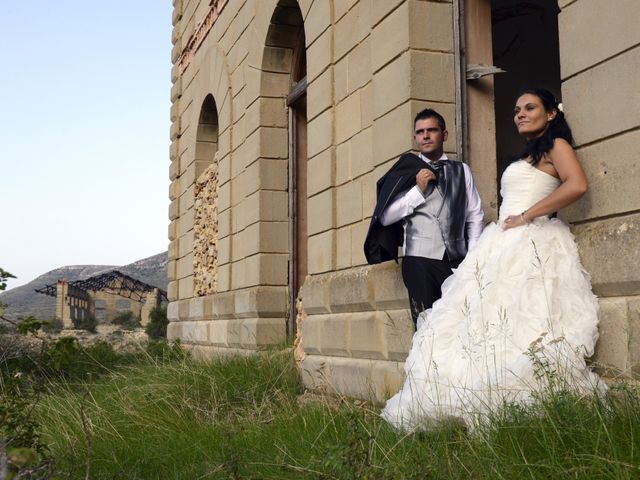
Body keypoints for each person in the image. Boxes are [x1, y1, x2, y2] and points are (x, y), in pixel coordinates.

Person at [381, 88, 604, 431]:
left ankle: (517, 398)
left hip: (530, 236)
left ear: (551, 114)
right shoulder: (532, 153)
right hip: (498, 241)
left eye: (529, 108)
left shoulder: (557, 146)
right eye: (516, 110)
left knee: (524, 316)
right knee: (482, 322)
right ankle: (466, 392)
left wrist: (527, 215)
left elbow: (577, 185)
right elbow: (386, 216)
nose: (520, 114)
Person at [363, 109, 484, 325]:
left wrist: (473, 256)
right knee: (426, 325)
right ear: (415, 138)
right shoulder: (406, 171)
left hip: (458, 260)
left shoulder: (462, 170)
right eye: (420, 132)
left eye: (431, 130)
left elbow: (474, 215)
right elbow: (385, 217)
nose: (425, 136)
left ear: (444, 135)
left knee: (460, 323)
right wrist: (417, 191)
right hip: (418, 261)